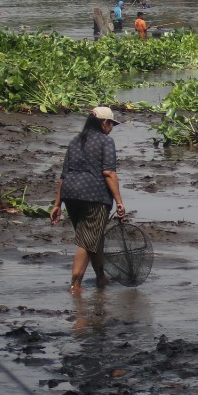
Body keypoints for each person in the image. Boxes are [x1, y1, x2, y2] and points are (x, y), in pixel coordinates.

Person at [49, 106, 127, 293]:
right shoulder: (105, 141)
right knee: (86, 241)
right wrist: (119, 201)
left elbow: (63, 176)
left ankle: (101, 278)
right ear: (103, 123)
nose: (112, 127)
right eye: (111, 124)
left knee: (93, 238)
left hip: (70, 194)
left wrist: (57, 204)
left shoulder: (75, 141)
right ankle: (75, 285)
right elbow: (108, 173)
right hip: (94, 195)